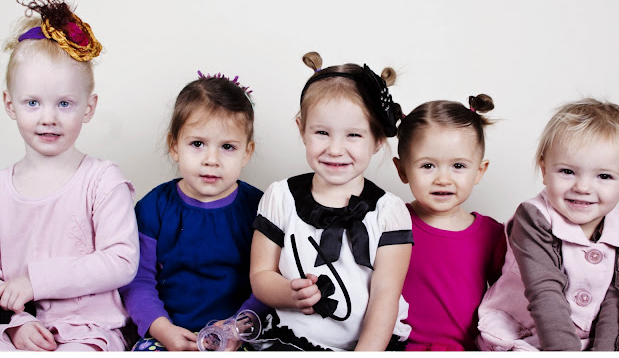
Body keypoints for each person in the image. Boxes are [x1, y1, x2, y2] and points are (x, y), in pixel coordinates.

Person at [0, 0, 139, 351]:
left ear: (88, 108)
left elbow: (121, 261)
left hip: (90, 330)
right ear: (10, 104)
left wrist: (36, 281)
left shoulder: (102, 181)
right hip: (17, 327)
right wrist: (17, 323)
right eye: (32, 102)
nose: (48, 117)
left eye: (64, 103)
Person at [249, 52, 413, 351]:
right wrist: (290, 293)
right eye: (322, 133)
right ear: (302, 129)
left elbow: (385, 296)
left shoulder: (389, 212)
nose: (335, 149)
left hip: (369, 345)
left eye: (353, 135)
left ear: (378, 139)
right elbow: (261, 275)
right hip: (293, 340)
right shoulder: (280, 197)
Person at [477, 98, 619, 351]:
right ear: (544, 170)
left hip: (584, 343)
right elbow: (545, 292)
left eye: (604, 176)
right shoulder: (533, 218)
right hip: (518, 337)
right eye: (567, 171)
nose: (583, 187)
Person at [120, 72, 264, 351]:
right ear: (174, 146)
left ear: (246, 153)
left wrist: (237, 327)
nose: (211, 160)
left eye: (227, 147)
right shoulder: (153, 208)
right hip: (168, 332)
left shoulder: (259, 209)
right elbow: (137, 281)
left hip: (238, 334)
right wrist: (162, 329)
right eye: (197, 144)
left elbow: (267, 279)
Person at [392, 95, 507, 351]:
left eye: (458, 166)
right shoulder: (391, 223)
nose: (443, 179)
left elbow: (511, 298)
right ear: (402, 170)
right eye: (428, 165)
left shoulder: (492, 235)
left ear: (479, 171)